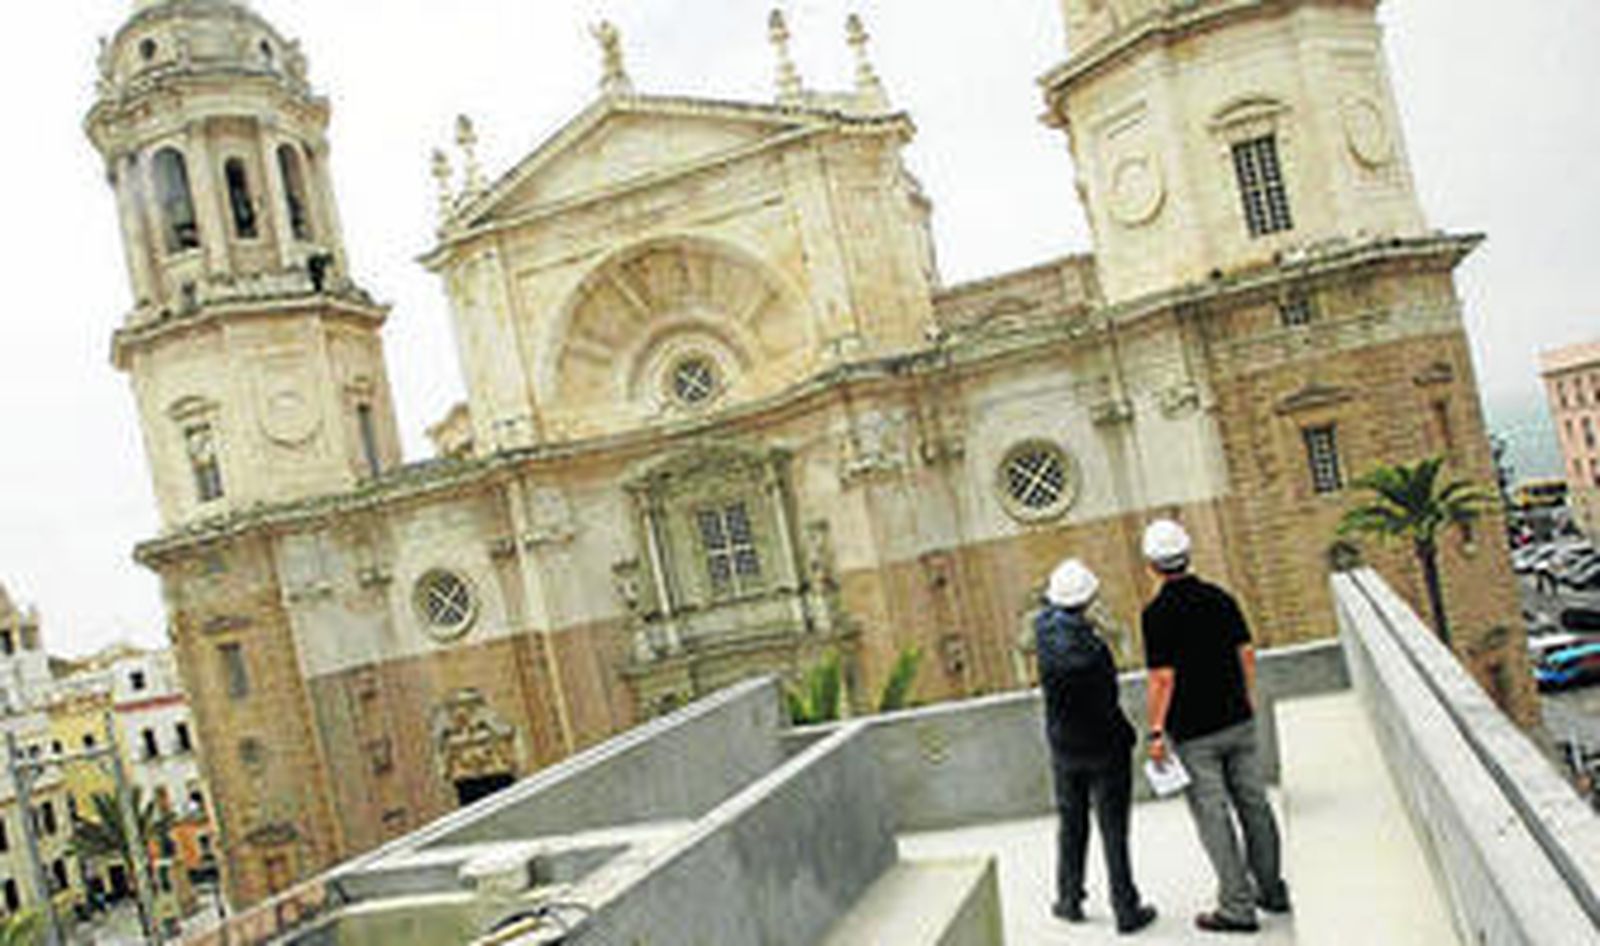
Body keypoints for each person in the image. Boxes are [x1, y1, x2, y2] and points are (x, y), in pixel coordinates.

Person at [1139, 519, 1290, 934]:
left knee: (1213, 817)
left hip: (1194, 734)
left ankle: (1237, 908)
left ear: (1152, 565)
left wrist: (1156, 731)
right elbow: (1246, 653)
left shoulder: (1155, 615)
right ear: (1188, 556)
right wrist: (1246, 697)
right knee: (1254, 804)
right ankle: (1271, 889)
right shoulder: (1221, 598)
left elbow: (1162, 678)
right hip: (1237, 719)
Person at [1036, 558, 1158, 934]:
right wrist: (1127, 736)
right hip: (1104, 751)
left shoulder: (1042, 634)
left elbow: (1046, 613)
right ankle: (1126, 908)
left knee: (1071, 825)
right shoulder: (1095, 652)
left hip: (1064, 748)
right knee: (1113, 831)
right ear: (1088, 599)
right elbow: (1108, 703)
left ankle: (1069, 899)